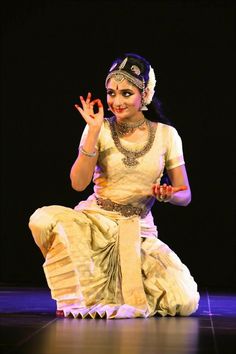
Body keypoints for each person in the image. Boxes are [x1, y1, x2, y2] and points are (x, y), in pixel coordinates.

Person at [29, 53, 200, 319]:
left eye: (126, 93)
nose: (116, 102)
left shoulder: (167, 136)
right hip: (96, 224)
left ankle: (118, 290)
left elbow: (185, 194)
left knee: (184, 300)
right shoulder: (99, 129)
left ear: (145, 95)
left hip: (138, 230)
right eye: (111, 93)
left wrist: (168, 195)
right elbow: (78, 184)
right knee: (44, 218)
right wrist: (93, 132)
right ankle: (85, 293)